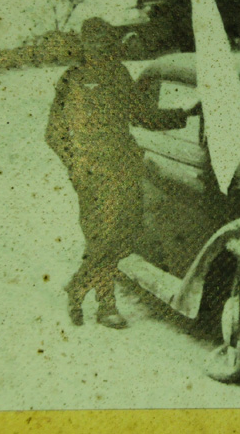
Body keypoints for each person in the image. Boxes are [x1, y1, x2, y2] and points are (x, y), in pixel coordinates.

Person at [45, 17, 200, 329]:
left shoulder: (119, 74)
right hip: (91, 171)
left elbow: (144, 116)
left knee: (125, 236)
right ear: (84, 45)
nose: (100, 49)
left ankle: (78, 285)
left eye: (105, 43)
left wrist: (184, 113)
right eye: (94, 43)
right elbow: (53, 132)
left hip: (124, 167)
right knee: (102, 236)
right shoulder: (71, 78)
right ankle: (105, 306)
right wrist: (75, 165)